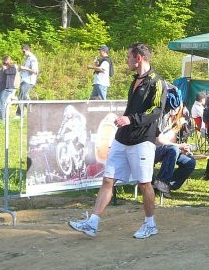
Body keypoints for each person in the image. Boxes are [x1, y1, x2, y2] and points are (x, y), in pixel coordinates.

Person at [68, 43, 167, 239]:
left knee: (144, 183)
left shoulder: (157, 82)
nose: (126, 61)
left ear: (139, 58)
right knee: (108, 179)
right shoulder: (135, 80)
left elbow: (156, 111)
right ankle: (93, 223)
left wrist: (131, 119)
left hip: (143, 139)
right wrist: (125, 120)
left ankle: (150, 224)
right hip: (123, 137)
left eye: (129, 57)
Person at [153, 104, 197, 198]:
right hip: (154, 149)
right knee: (173, 149)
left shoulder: (177, 122)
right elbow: (158, 140)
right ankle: (161, 182)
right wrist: (178, 146)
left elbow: (172, 143)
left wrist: (182, 149)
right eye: (172, 106)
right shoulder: (162, 118)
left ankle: (168, 185)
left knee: (190, 162)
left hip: (169, 151)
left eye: (177, 107)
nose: (174, 109)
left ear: (180, 108)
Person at [16, 44, 39, 118]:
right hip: (25, 80)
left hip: (29, 81)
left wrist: (24, 68)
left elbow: (34, 71)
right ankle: (33, 109)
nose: (23, 53)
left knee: (21, 96)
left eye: (24, 51)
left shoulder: (33, 59)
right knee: (25, 96)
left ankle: (19, 114)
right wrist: (21, 69)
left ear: (28, 50)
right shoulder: (28, 58)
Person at [0, 55, 18, 121]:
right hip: (0, 87)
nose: (4, 64)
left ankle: (2, 119)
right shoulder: (2, 69)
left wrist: (4, 68)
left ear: (9, 61)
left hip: (7, 88)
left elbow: (7, 72)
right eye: (3, 62)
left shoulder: (12, 67)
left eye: (5, 62)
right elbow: (0, 77)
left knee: (1, 102)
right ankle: (2, 114)